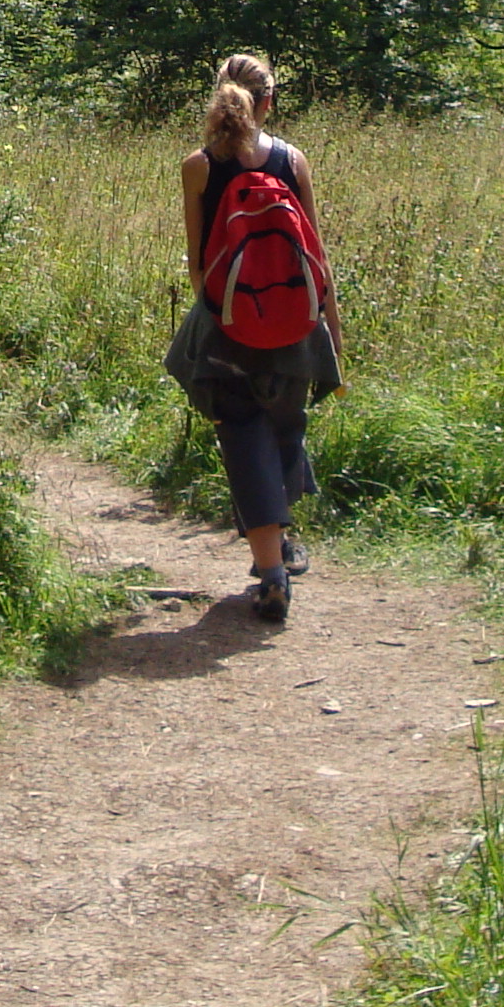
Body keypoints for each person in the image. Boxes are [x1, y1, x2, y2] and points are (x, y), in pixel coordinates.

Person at [177, 49, 334, 624]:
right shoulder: (293, 161)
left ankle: (272, 573)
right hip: (296, 322)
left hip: (228, 325)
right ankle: (282, 547)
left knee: (242, 432)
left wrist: (221, 320)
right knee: (286, 428)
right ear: (269, 102)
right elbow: (316, 254)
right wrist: (332, 332)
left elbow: (198, 266)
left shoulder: (199, 167)